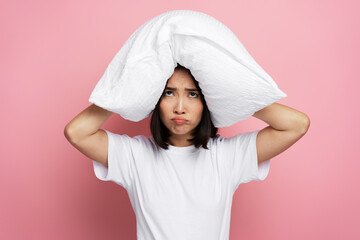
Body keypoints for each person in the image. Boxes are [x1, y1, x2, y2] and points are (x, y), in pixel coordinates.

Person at [64, 64, 310, 240]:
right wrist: (125, 92)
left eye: (192, 95)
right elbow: (77, 132)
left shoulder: (227, 157)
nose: (179, 108)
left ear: (207, 103)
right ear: (155, 101)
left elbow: (296, 124)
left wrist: (232, 94)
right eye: (169, 93)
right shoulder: (135, 156)